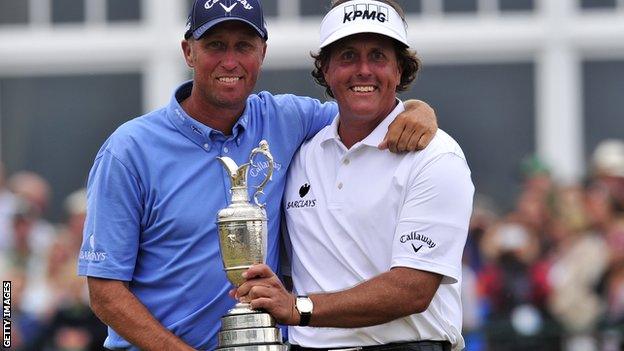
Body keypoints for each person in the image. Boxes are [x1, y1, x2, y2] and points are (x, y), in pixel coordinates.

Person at [77, 0, 439, 350]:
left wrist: (417, 110)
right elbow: (106, 293)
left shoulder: (287, 118)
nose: (230, 61)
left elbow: (364, 108)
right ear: (189, 52)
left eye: (244, 46)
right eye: (216, 45)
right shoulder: (129, 150)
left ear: (262, 53)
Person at [235, 1, 474, 350]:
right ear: (326, 70)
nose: (363, 70)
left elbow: (412, 289)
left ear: (400, 70)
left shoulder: (436, 155)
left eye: (378, 56)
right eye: (348, 56)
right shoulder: (302, 154)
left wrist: (299, 308)